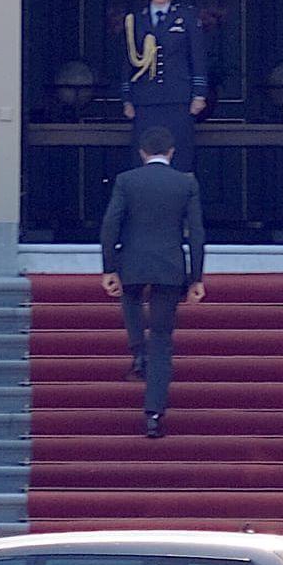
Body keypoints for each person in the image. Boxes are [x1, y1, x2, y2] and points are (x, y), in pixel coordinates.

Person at [100, 126, 206, 438]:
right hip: (169, 267)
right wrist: (196, 277)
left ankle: (137, 349)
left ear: (142, 153)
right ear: (171, 152)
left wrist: (109, 268)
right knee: (161, 337)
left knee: (130, 299)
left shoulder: (126, 180)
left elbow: (110, 224)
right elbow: (196, 233)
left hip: (132, 261)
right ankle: (153, 414)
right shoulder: (185, 182)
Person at [121, 0, 209, 174]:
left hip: (177, 98)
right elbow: (128, 62)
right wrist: (127, 98)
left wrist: (199, 95)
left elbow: (197, 57)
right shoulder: (135, 20)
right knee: (144, 155)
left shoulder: (186, 18)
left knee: (179, 156)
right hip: (146, 99)